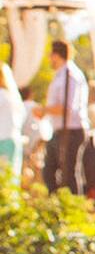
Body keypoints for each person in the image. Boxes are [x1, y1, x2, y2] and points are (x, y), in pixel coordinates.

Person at [35, 40, 89, 196]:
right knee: (50, 169)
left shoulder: (69, 75)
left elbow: (67, 107)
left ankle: (73, 207)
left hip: (72, 130)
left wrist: (45, 110)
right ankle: (57, 204)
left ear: (57, 55)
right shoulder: (60, 75)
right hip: (60, 129)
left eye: (51, 55)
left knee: (69, 172)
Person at [0, 65, 22, 178]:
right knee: (11, 176)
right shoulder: (12, 96)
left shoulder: (1, 95)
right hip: (14, 139)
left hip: (2, 140)